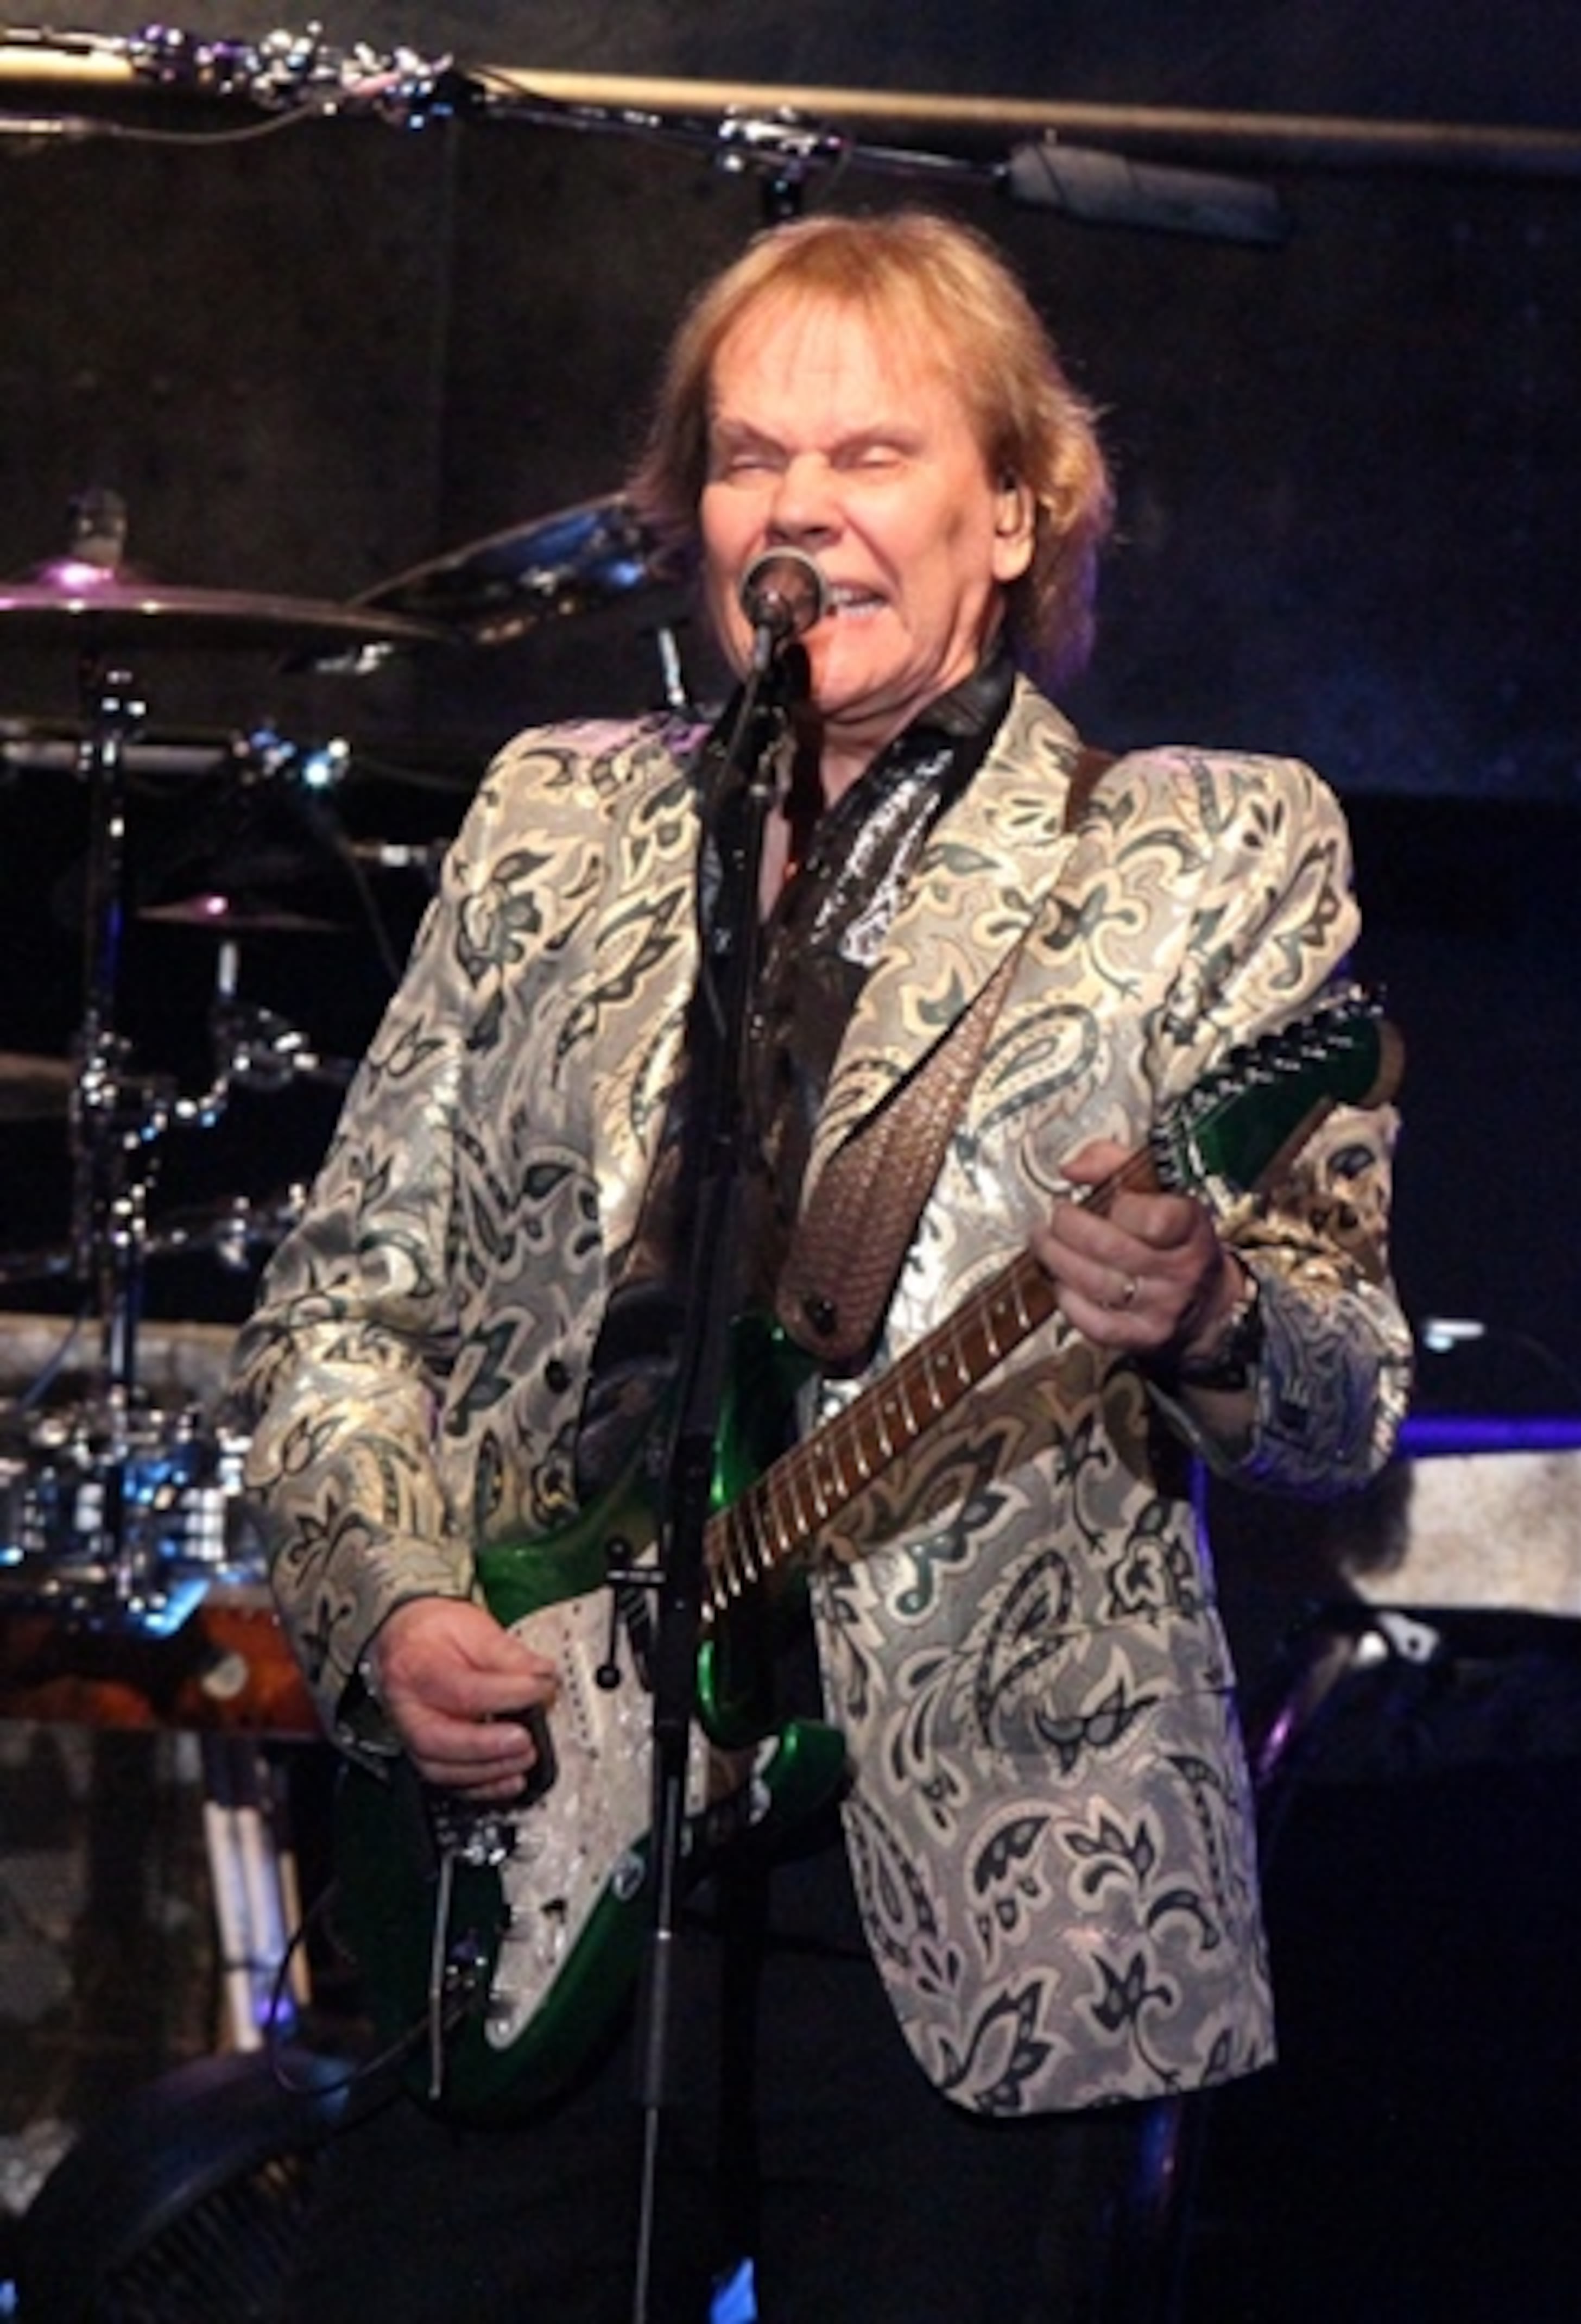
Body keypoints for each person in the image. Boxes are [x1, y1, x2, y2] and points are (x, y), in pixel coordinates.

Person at [226, 206, 1412, 2323]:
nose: (800, 510)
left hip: (984, 1902)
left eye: (872, 456)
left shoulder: (1208, 843)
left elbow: (1343, 1382)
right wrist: (391, 1600)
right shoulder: (559, 822)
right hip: (543, 1854)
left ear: (1016, 503)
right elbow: (342, 1302)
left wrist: (1214, 1314)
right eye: (753, 458)